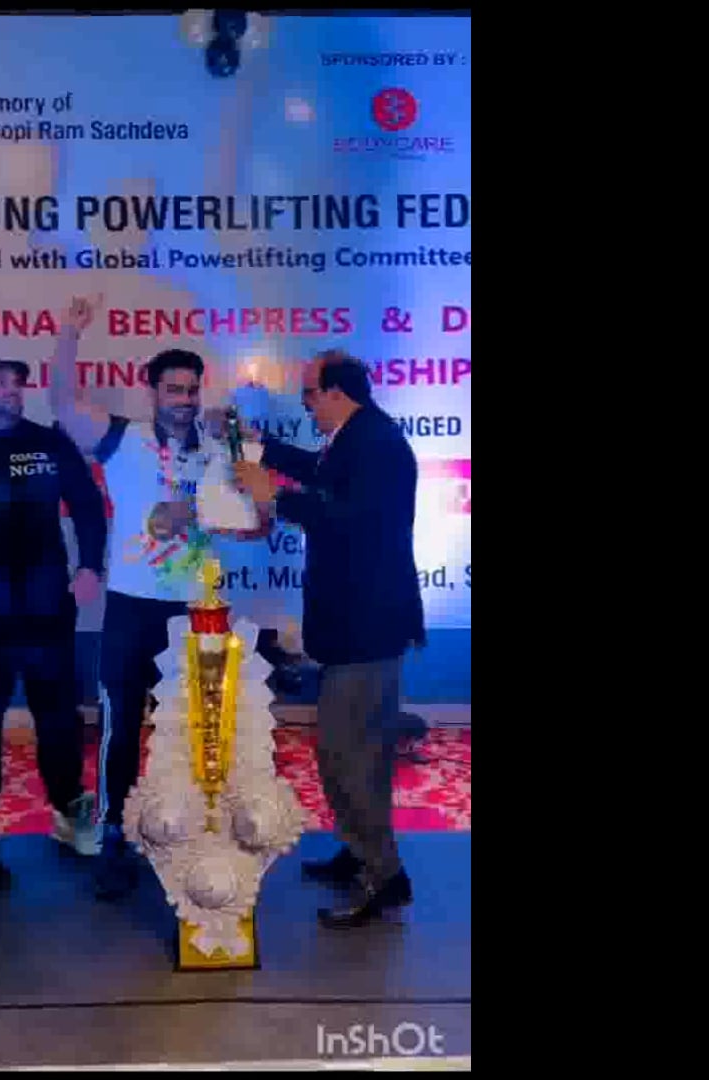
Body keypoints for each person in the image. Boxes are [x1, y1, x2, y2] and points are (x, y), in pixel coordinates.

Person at [232, 350, 426, 929]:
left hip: (369, 627)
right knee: (349, 750)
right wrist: (262, 447)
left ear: (337, 393)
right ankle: (357, 849)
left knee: (352, 754)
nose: (306, 405)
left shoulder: (378, 444)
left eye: (310, 394)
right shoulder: (355, 436)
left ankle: (384, 877)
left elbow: (348, 519)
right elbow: (320, 473)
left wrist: (273, 497)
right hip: (354, 625)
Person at [49, 294, 225, 900]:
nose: (184, 399)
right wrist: (70, 333)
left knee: (192, 733)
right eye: (174, 389)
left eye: (192, 390)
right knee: (120, 730)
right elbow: (62, 403)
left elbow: (247, 513)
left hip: (194, 610)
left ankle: (183, 836)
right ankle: (114, 839)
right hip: (130, 607)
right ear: (152, 392)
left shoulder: (216, 445)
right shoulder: (123, 437)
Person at [0, 356, 107, 898]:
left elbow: (88, 506)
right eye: (0, 383)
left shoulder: (48, 443)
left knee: (57, 716)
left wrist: (89, 565)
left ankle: (69, 811)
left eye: (18, 383)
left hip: (46, 608)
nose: (13, 391)